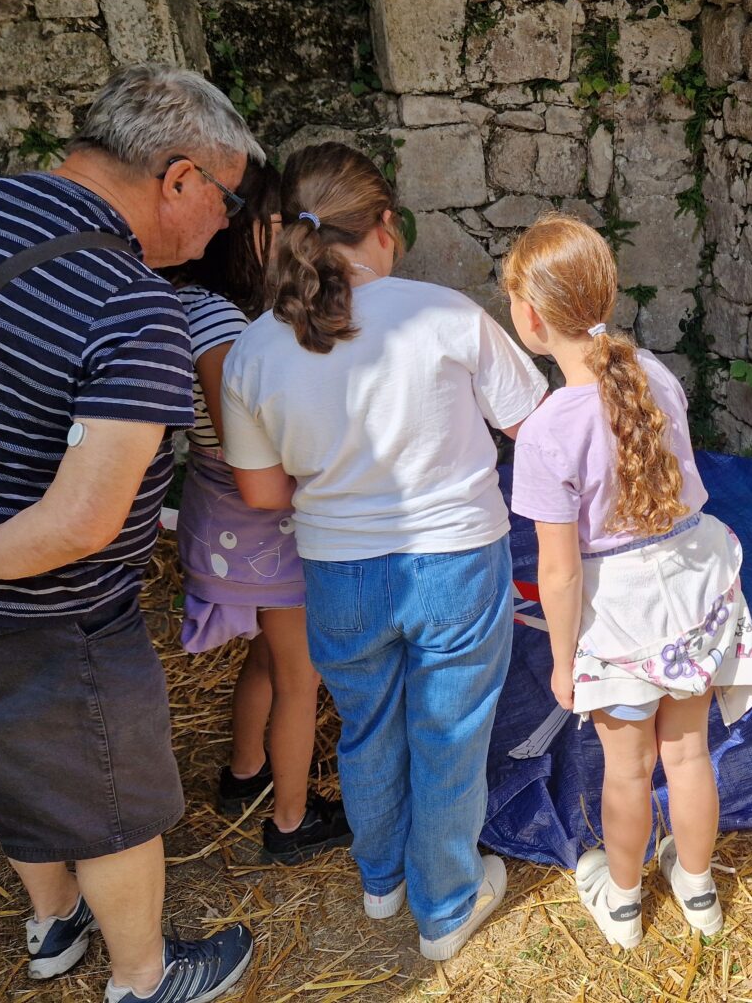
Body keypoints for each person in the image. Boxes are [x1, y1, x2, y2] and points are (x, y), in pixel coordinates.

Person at [0, 64, 255, 1003]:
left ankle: (53, 926)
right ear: (178, 179)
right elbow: (83, 519)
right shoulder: (130, 302)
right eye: (225, 198)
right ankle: (146, 976)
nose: (223, 223)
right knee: (113, 799)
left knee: (11, 769)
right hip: (44, 616)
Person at [219, 142, 547, 961]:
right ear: (385, 227)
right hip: (457, 561)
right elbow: (530, 423)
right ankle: (445, 906)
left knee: (366, 726)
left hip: (336, 569)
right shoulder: (443, 315)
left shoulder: (256, 348)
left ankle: (381, 882)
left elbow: (262, 493)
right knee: (449, 733)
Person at [501, 213, 752, 950]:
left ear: (529, 319)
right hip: (693, 588)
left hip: (618, 615)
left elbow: (557, 572)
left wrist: (562, 663)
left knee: (628, 769)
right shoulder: (654, 373)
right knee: (687, 754)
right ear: (607, 294)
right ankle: (698, 888)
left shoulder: (549, 430)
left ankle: (622, 903)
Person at [172, 160, 351, 864]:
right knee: (300, 677)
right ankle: (290, 819)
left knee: (269, 660)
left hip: (220, 513)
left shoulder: (187, 302)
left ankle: (245, 774)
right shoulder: (220, 321)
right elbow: (237, 431)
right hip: (256, 521)